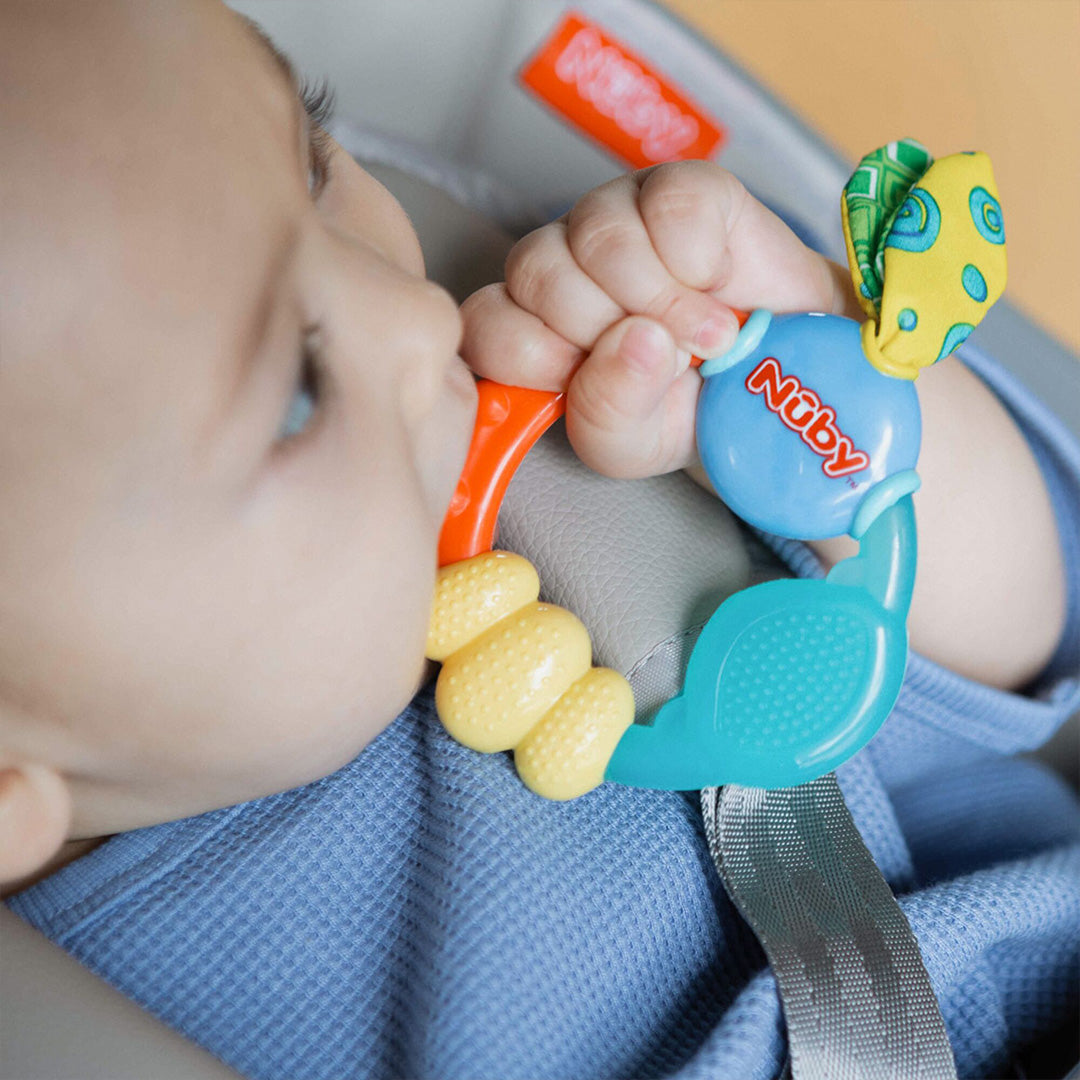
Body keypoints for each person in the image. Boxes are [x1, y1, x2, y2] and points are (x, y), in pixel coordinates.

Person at [1, 2, 1076, 1077]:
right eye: (294, 395)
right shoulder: (115, 1031)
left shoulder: (561, 358)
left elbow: (1028, 636)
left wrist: (807, 376)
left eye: (316, 156)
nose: (416, 316)